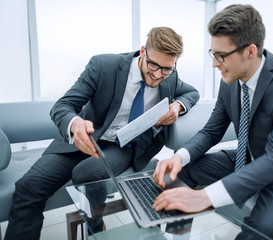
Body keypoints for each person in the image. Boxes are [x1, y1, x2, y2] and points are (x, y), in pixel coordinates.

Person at [152, 5, 273, 240]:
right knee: (175, 175)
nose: (214, 64)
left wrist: (205, 196)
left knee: (260, 227)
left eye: (221, 56)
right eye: (212, 54)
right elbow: (211, 132)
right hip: (245, 157)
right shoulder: (229, 81)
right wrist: (178, 157)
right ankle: (178, 235)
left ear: (250, 51)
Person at [5, 26, 199, 240]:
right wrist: (75, 124)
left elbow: (192, 92)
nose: (157, 74)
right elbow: (63, 106)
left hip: (122, 146)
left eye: (166, 69)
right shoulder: (103, 66)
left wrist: (178, 106)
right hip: (81, 139)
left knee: (87, 173)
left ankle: (95, 227)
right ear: (143, 51)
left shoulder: (170, 76)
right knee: (28, 187)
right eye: (153, 64)